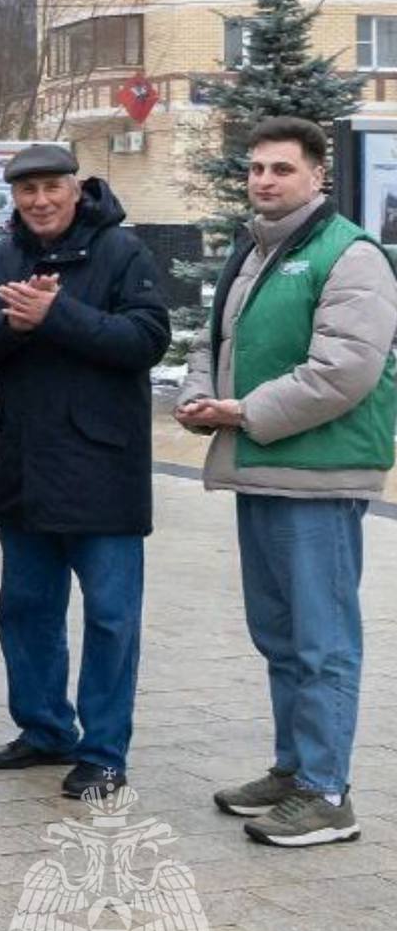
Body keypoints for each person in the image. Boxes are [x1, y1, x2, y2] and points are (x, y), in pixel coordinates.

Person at [182, 116, 397, 847]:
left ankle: (328, 792)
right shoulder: (256, 250)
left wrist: (242, 411)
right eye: (256, 168)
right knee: (280, 633)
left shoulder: (351, 255)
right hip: (263, 467)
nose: (264, 180)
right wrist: (198, 393)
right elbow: (217, 340)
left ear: (317, 177)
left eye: (281, 168)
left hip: (320, 472)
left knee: (323, 639)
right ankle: (293, 768)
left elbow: (344, 370)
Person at [0, 143, 170, 799]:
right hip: (22, 468)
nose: (39, 200)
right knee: (24, 611)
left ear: (77, 188)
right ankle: (45, 728)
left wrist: (56, 314)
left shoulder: (122, 252)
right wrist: (13, 325)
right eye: (26, 190)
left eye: (51, 187)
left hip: (103, 470)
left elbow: (146, 340)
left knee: (109, 617)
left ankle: (103, 752)